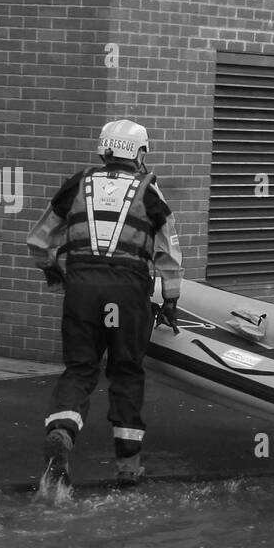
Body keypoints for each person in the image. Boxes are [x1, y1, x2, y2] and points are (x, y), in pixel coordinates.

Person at [27, 119, 183, 487]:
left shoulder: (77, 185)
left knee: (80, 369)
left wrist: (54, 271)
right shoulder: (150, 192)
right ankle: (128, 467)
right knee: (126, 371)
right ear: (139, 153)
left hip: (82, 289)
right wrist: (172, 299)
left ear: (105, 150)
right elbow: (169, 253)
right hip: (128, 294)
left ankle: (63, 430)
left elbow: (38, 240)